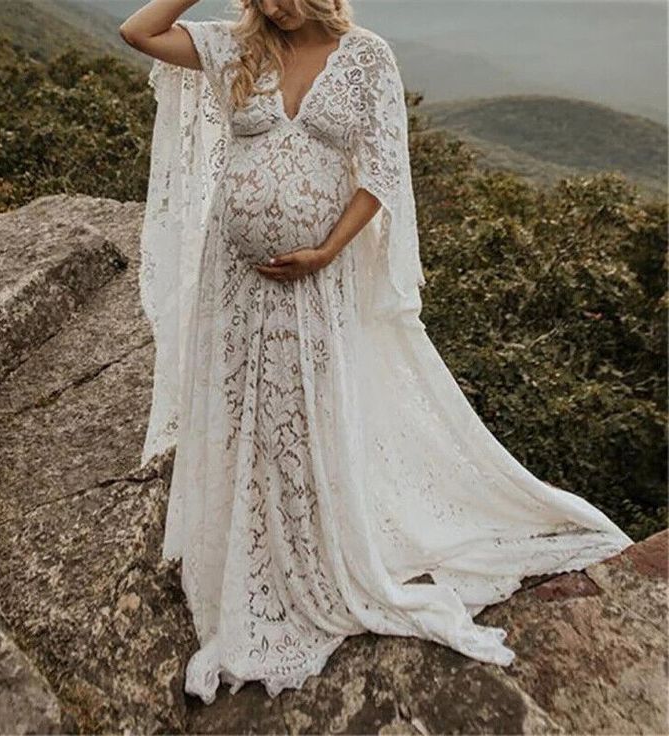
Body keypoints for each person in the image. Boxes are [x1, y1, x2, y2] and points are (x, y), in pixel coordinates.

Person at [120, 0, 634, 705]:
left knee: (308, 413)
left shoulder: (367, 57)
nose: (272, 5)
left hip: (316, 281)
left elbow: (382, 174)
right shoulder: (237, 48)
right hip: (234, 280)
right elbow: (139, 32)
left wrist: (327, 250)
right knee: (244, 411)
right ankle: (251, 553)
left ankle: (317, 551)